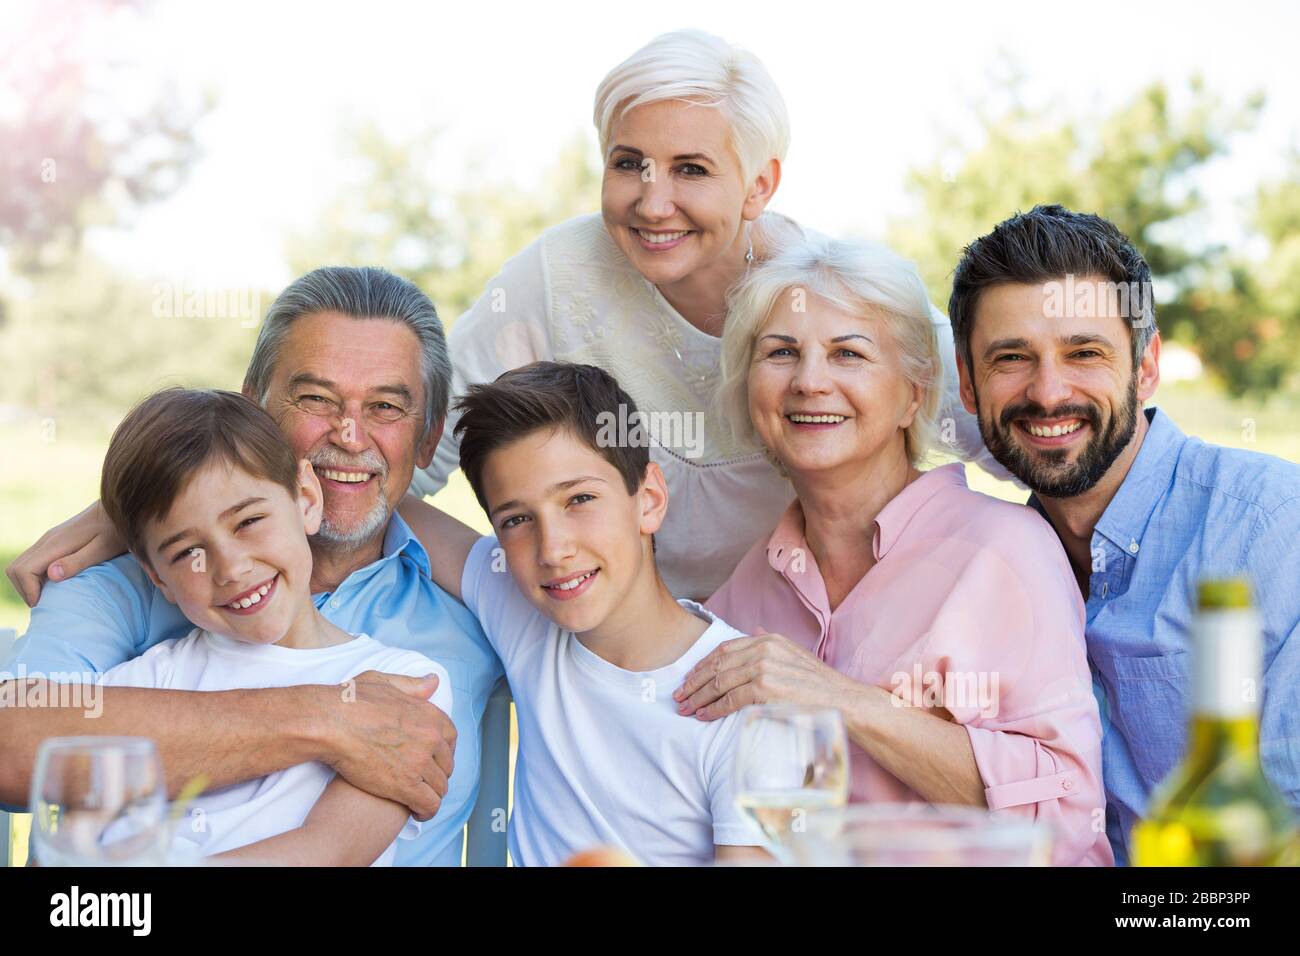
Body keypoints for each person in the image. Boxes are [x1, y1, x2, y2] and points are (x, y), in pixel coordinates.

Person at [408, 28, 1004, 599]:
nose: (653, 202)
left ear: (758, 185)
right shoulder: (557, 274)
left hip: (807, 642)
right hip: (624, 649)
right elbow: (414, 451)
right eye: (627, 163)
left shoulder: (836, 294)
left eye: (690, 169)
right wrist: (500, 599)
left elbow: (1003, 427)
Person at [0, 267, 503, 866]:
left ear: (427, 440)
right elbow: (13, 746)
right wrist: (325, 718)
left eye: (387, 407)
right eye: (315, 398)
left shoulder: (479, 610)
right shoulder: (125, 582)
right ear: (253, 406)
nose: (349, 434)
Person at [675, 232, 1112, 865]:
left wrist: (840, 699)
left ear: (913, 393)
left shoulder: (1004, 551)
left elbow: (1067, 819)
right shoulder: (749, 589)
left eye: (848, 354)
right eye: (781, 353)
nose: (809, 381)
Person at [946, 203, 1300, 864]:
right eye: (1012, 358)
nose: (1048, 393)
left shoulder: (1275, 530)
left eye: (1084, 353)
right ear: (968, 383)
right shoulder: (988, 570)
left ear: (1145, 366)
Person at [395, 362, 770, 866]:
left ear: (650, 500)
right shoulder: (522, 602)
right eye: (518, 519)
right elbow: (381, 498)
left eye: (580, 499)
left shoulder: (743, 707)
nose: (553, 549)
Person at [93, 387, 452, 865]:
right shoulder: (147, 686)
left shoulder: (400, 687)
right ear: (158, 576)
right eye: (186, 553)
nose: (231, 568)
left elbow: (330, 851)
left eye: (248, 522)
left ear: (306, 498)